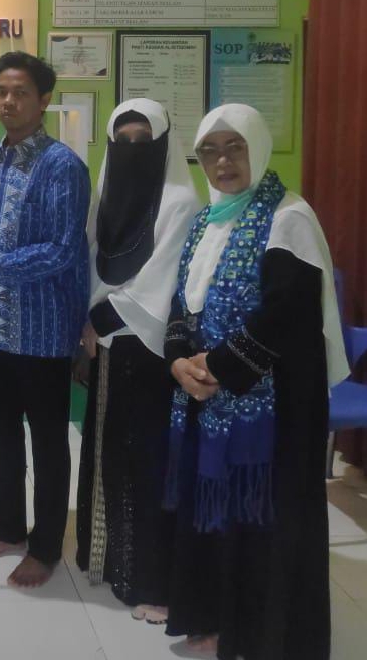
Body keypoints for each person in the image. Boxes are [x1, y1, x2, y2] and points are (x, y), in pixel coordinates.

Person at [162, 103, 347, 660]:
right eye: (210, 151)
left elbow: (287, 314)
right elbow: (181, 302)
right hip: (208, 396)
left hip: (275, 408)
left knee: (265, 520)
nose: (222, 162)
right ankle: (216, 618)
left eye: (234, 148)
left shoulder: (288, 217)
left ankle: (264, 636)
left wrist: (217, 369)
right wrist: (178, 361)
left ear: (257, 148)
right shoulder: (207, 219)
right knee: (215, 515)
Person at [0, 51, 90, 588]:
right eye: (1, 91)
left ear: (44, 100)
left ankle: (46, 545)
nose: (8, 101)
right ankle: (6, 528)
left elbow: (61, 249)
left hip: (44, 330)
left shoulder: (62, 165)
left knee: (49, 443)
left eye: (21, 93)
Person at [74, 99, 200, 622]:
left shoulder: (179, 201)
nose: (131, 150)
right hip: (107, 348)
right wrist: (88, 321)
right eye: (121, 142)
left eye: (142, 142)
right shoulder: (105, 196)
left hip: (150, 351)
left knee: (149, 464)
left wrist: (99, 319)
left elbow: (162, 279)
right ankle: (109, 561)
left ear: (163, 145)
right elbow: (90, 261)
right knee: (109, 455)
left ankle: (150, 578)